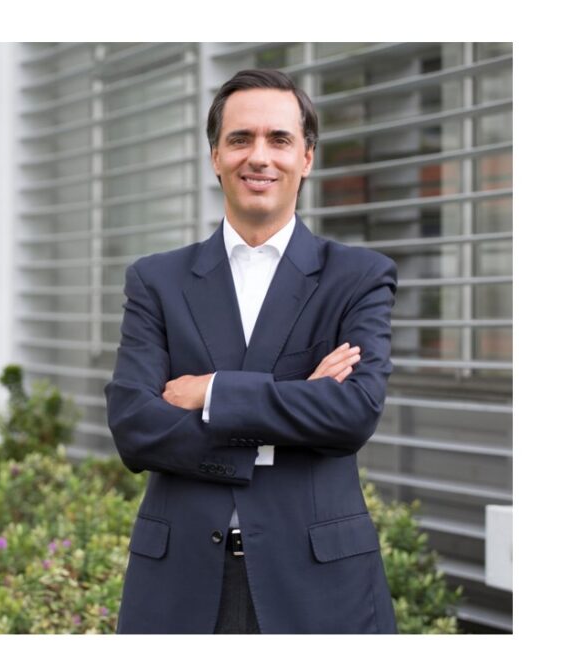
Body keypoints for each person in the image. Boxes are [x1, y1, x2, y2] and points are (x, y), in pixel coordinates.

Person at [104, 69, 399, 634]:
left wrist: (212, 393)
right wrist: (294, 408)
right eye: (240, 139)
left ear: (306, 158)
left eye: (279, 139)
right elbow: (134, 425)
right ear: (215, 156)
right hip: (181, 584)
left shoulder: (359, 277)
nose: (258, 156)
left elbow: (353, 412)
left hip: (318, 585)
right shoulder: (156, 281)